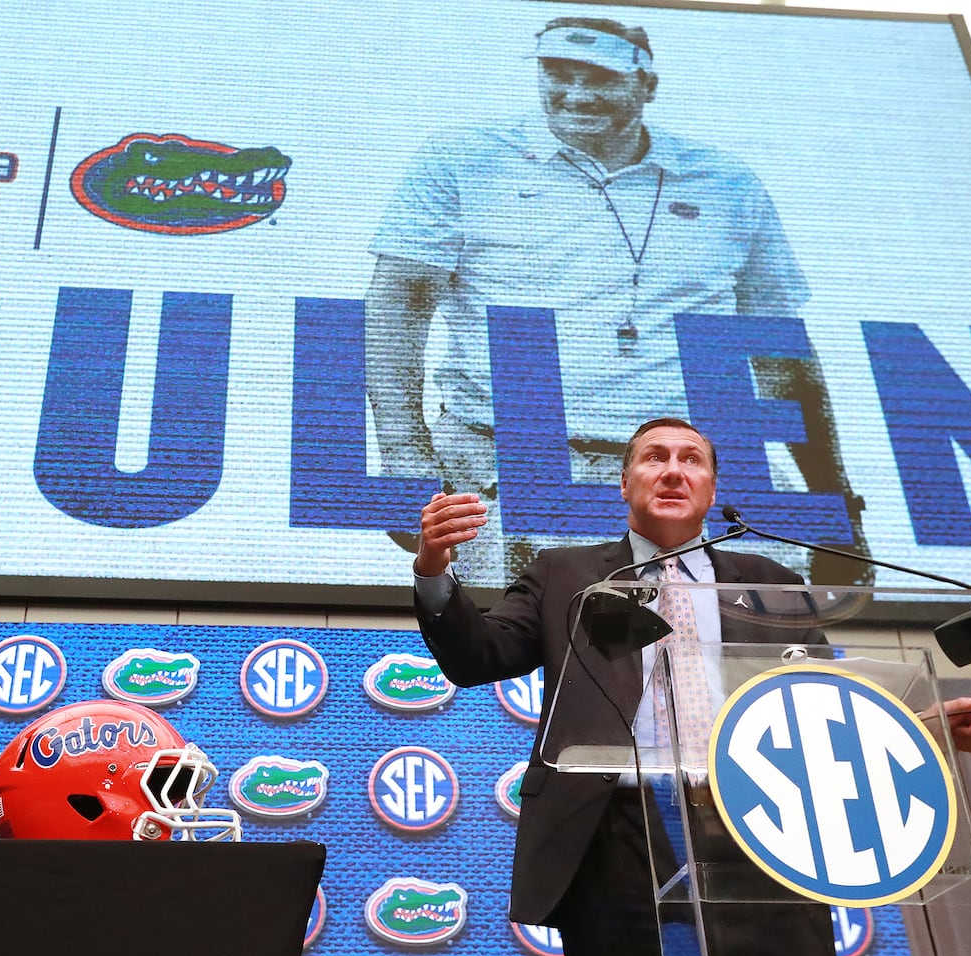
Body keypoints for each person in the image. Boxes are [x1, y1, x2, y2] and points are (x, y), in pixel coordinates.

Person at [412, 417, 971, 956]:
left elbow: (819, 711)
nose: (672, 470)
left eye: (690, 459)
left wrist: (923, 733)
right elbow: (478, 656)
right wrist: (434, 570)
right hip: (616, 831)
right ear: (624, 484)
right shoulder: (564, 575)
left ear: (712, 491)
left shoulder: (772, 586)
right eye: (653, 457)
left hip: (765, 820)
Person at [369, 17, 868, 586]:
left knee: (710, 664)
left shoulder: (728, 184)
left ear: (646, 85)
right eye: (558, 74)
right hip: (502, 468)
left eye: (600, 78)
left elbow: (778, 351)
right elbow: (397, 305)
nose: (576, 95)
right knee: (503, 662)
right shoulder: (461, 160)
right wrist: (404, 457)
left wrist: (834, 502)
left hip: (677, 478)